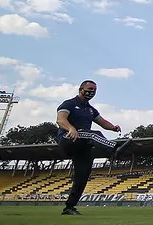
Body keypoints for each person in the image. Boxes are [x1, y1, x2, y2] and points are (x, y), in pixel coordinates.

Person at [55, 79, 131, 215]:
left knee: (82, 175)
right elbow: (60, 120)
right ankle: (114, 149)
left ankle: (69, 207)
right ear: (80, 89)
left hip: (83, 145)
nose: (91, 92)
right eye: (89, 89)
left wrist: (113, 127)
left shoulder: (90, 110)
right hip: (68, 139)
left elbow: (102, 122)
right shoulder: (69, 104)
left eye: (94, 90)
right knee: (93, 134)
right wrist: (71, 129)